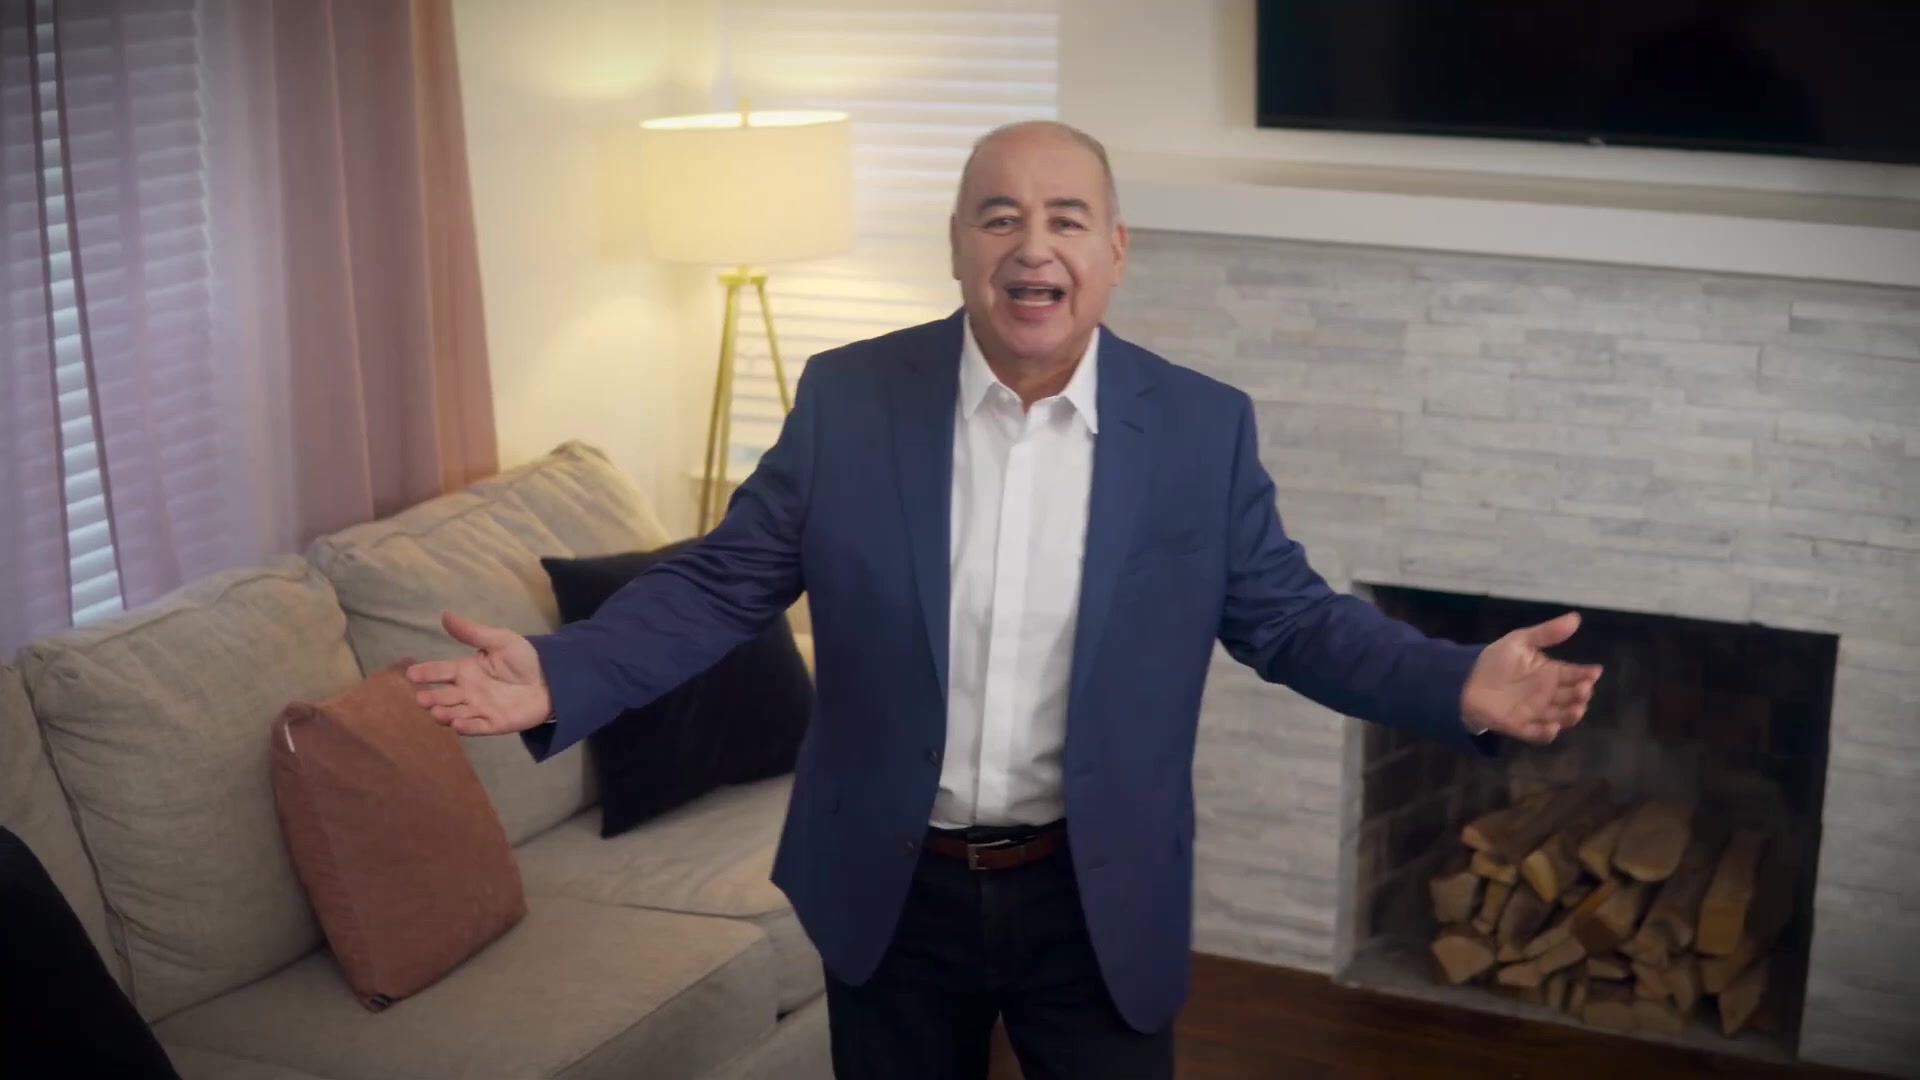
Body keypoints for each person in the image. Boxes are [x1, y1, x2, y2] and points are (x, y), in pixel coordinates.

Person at [406, 120, 1601, 1079]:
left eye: (1066, 218)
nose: (1034, 246)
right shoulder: (850, 400)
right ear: (959, 246)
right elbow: (725, 582)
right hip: (893, 889)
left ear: (1115, 251)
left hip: (1094, 895)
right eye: (1000, 216)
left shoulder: (1199, 431)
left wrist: (1457, 681)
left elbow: (1292, 620)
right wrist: (561, 671)